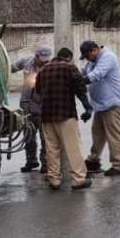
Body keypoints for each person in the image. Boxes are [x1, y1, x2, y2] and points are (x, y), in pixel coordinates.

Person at [35, 47, 93, 190]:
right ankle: (79, 179)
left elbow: (37, 90)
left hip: (47, 116)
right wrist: (88, 108)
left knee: (52, 149)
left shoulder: (43, 70)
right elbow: (80, 89)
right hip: (66, 114)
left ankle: (54, 179)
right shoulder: (70, 68)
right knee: (73, 147)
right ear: (69, 57)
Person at [79, 40, 120, 176]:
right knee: (97, 133)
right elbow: (83, 71)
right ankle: (93, 160)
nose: (87, 59)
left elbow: (97, 75)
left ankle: (118, 165)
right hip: (101, 105)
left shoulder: (108, 57)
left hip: (113, 103)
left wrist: (79, 81)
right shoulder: (92, 61)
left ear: (94, 50)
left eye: (87, 55)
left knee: (114, 134)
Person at [11, 45, 52, 173]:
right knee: (28, 134)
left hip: (42, 105)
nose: (44, 61)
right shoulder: (26, 62)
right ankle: (31, 161)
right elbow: (11, 67)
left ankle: (46, 163)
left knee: (45, 136)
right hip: (26, 104)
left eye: (46, 58)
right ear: (36, 56)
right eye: (42, 58)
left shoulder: (50, 67)